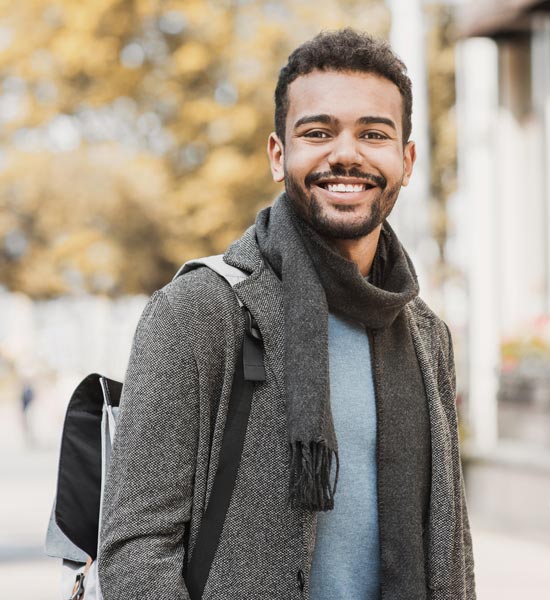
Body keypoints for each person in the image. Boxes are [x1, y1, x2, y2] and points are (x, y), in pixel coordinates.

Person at [98, 28, 475, 600]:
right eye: (318, 132)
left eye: (373, 134)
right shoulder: (200, 312)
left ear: (406, 159)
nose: (345, 154)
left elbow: (452, 545)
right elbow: (135, 551)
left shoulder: (425, 335)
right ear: (279, 154)